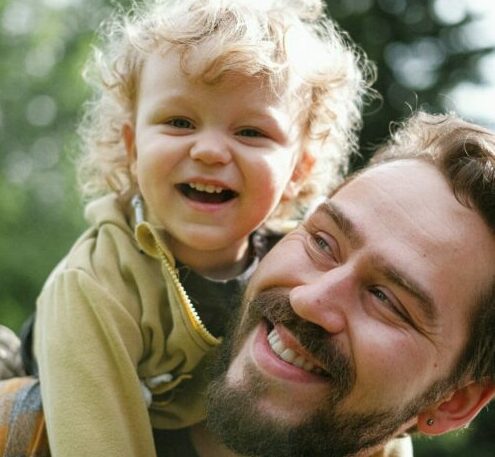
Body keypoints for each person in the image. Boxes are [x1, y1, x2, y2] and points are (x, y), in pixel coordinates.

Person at [1, 110, 494, 456]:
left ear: (453, 402)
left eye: (388, 299)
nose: (308, 300)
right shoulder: (22, 435)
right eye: (323, 242)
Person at [6, 1, 372, 457]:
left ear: (298, 168)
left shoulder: (301, 277)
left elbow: (369, 413)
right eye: (179, 122)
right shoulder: (94, 285)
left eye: (251, 132)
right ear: (133, 147)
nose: (210, 151)